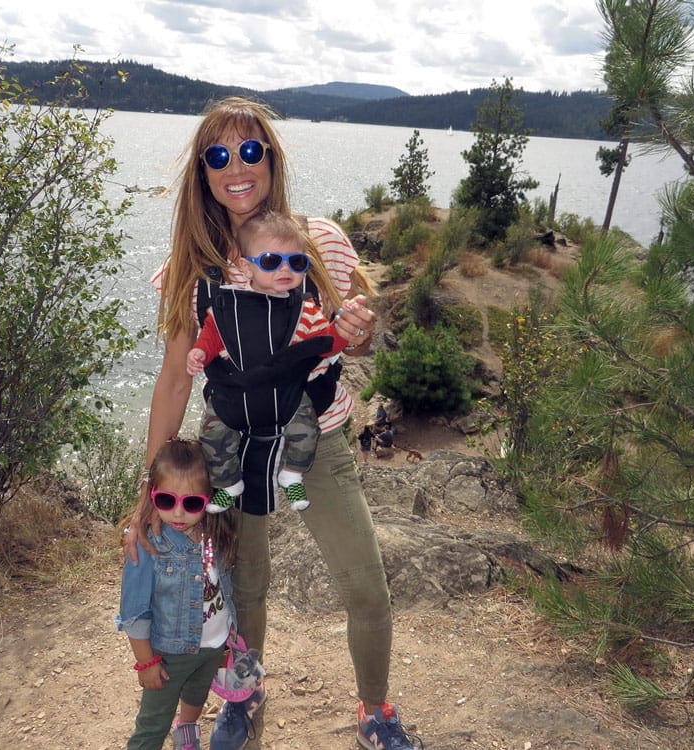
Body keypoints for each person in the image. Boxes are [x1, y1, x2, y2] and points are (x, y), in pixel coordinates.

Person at [126, 96, 422, 750]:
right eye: (219, 155)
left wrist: (362, 331)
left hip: (317, 443)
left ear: (272, 160)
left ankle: (375, 711)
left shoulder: (321, 245)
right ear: (204, 173)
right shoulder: (192, 267)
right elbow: (177, 378)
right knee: (245, 590)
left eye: (252, 150)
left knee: (366, 589)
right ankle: (243, 694)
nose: (238, 166)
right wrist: (155, 489)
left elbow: (351, 338)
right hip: (230, 450)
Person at [186, 210, 353, 514]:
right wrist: (199, 352)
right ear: (246, 267)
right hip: (237, 400)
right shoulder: (230, 305)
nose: (284, 269)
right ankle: (227, 484)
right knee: (212, 434)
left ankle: (292, 473)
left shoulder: (305, 310)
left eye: (297, 262)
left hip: (286, 399)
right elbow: (212, 334)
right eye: (271, 261)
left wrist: (345, 329)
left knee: (306, 430)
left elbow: (326, 344)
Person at [117, 438, 239, 750]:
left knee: (197, 694)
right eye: (166, 500)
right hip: (170, 655)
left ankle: (186, 727)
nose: (179, 512)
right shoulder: (148, 546)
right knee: (153, 723)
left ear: (208, 499)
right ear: (152, 494)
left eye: (192, 503)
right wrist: (146, 663)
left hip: (213, 645)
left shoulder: (216, 530)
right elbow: (133, 613)